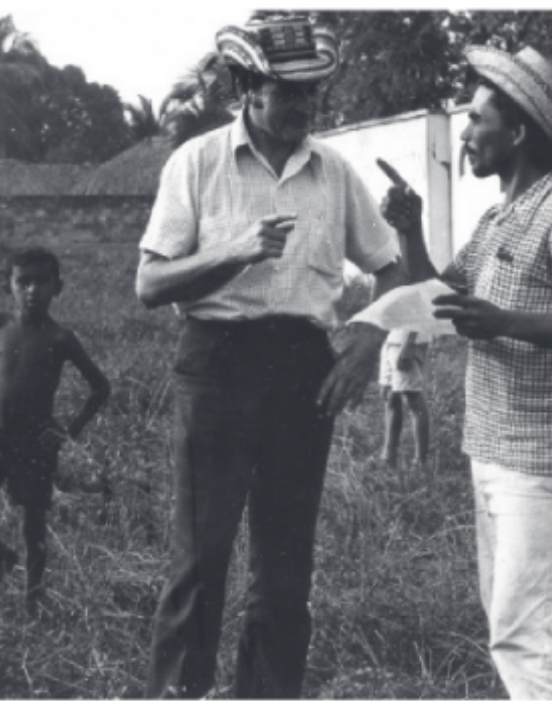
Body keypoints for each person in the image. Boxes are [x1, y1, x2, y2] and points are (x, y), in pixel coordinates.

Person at [135, 15, 406, 699]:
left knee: (286, 564)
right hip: (217, 366)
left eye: (313, 95)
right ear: (246, 89)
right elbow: (149, 284)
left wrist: (367, 343)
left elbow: (392, 268)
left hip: (302, 371)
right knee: (202, 555)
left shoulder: (332, 171)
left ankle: (269, 694)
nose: (305, 109)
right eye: (288, 93)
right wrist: (235, 249)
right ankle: (181, 693)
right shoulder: (196, 164)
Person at [381, 45, 552, 699]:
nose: (465, 133)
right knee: (507, 627)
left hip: (538, 458)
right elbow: (440, 299)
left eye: (477, 119)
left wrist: (505, 321)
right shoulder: (496, 218)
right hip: (491, 449)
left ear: (516, 133)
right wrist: (408, 230)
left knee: (529, 640)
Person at [0, 247, 111, 616]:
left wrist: (69, 431)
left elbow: (101, 388)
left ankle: (33, 600)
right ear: (9, 286)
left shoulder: (62, 338)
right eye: (23, 281)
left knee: (33, 525)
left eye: (42, 281)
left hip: (35, 443)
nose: (32, 290)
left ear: (57, 287)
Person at [378, 328, 431, 469]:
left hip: (407, 341)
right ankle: (388, 457)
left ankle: (420, 461)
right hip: (391, 338)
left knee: (412, 396)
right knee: (390, 395)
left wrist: (411, 341)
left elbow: (420, 309)